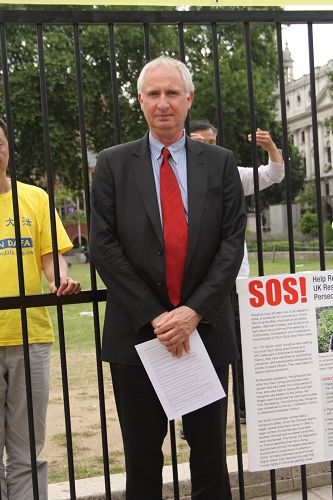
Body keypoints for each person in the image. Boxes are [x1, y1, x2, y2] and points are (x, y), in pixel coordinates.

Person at [90, 56, 246, 499]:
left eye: (172, 93)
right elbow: (103, 246)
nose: (163, 103)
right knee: (142, 465)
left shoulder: (220, 163)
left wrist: (193, 312)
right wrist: (159, 317)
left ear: (189, 98)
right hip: (138, 338)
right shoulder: (113, 164)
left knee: (211, 462)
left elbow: (231, 244)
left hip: (206, 333)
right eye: (154, 94)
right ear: (140, 101)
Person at [0, 117, 81, 500]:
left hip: (30, 336)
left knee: (27, 448)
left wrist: (60, 277)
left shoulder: (34, 198)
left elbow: (52, 258)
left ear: (8, 149)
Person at [189, 121, 284, 425]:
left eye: (212, 140)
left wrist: (270, 148)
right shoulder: (176, 177)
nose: (207, 145)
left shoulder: (230, 174)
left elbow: (273, 174)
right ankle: (196, 418)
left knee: (242, 349)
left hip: (237, 281)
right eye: (199, 140)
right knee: (198, 352)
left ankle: (244, 409)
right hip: (196, 284)